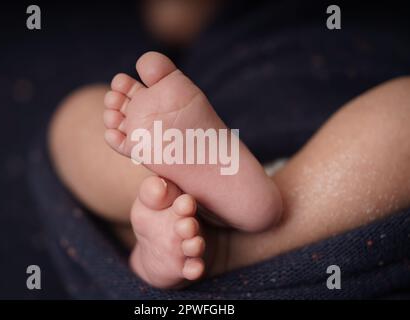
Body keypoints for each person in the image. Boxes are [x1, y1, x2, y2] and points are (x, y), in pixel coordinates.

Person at [47, 0, 410, 289]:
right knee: (74, 116)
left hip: (318, 157)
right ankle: (169, 188)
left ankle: (219, 245)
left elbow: (171, 17)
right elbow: (171, 17)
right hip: (254, 140)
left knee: (73, 118)